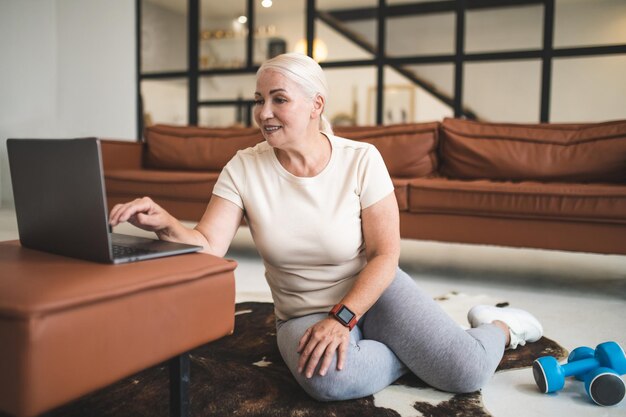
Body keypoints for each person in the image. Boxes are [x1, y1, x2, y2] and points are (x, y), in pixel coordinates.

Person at [108, 52, 543, 401]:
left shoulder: (361, 159)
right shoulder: (243, 167)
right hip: (303, 311)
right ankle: (412, 353)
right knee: (331, 383)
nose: (264, 112)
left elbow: (385, 256)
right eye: (259, 100)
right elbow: (208, 246)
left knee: (464, 372)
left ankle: (501, 326)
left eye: (279, 99)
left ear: (316, 104)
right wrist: (165, 225)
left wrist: (344, 319)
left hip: (375, 293)